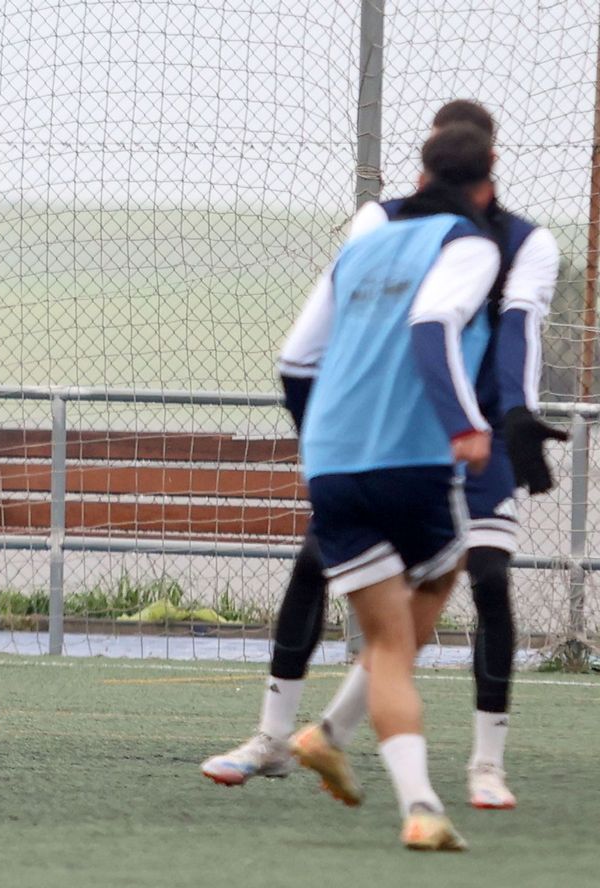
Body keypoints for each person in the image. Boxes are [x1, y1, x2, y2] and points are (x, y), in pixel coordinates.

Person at [202, 101, 563, 811]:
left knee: (486, 580)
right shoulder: (381, 222)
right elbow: (331, 335)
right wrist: (331, 434)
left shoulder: (524, 243)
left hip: (474, 437)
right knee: (318, 568)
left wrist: (514, 416)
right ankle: (275, 739)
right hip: (391, 441)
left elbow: (517, 331)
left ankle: (484, 765)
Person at [267, 123, 503, 850]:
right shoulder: (470, 244)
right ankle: (403, 789)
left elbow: (296, 360)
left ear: (421, 172)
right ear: (486, 183)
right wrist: (466, 424)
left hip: (334, 468)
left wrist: (324, 443)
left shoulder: (360, 247)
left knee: (387, 634)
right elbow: (434, 326)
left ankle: (343, 742)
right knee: (406, 634)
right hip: (411, 463)